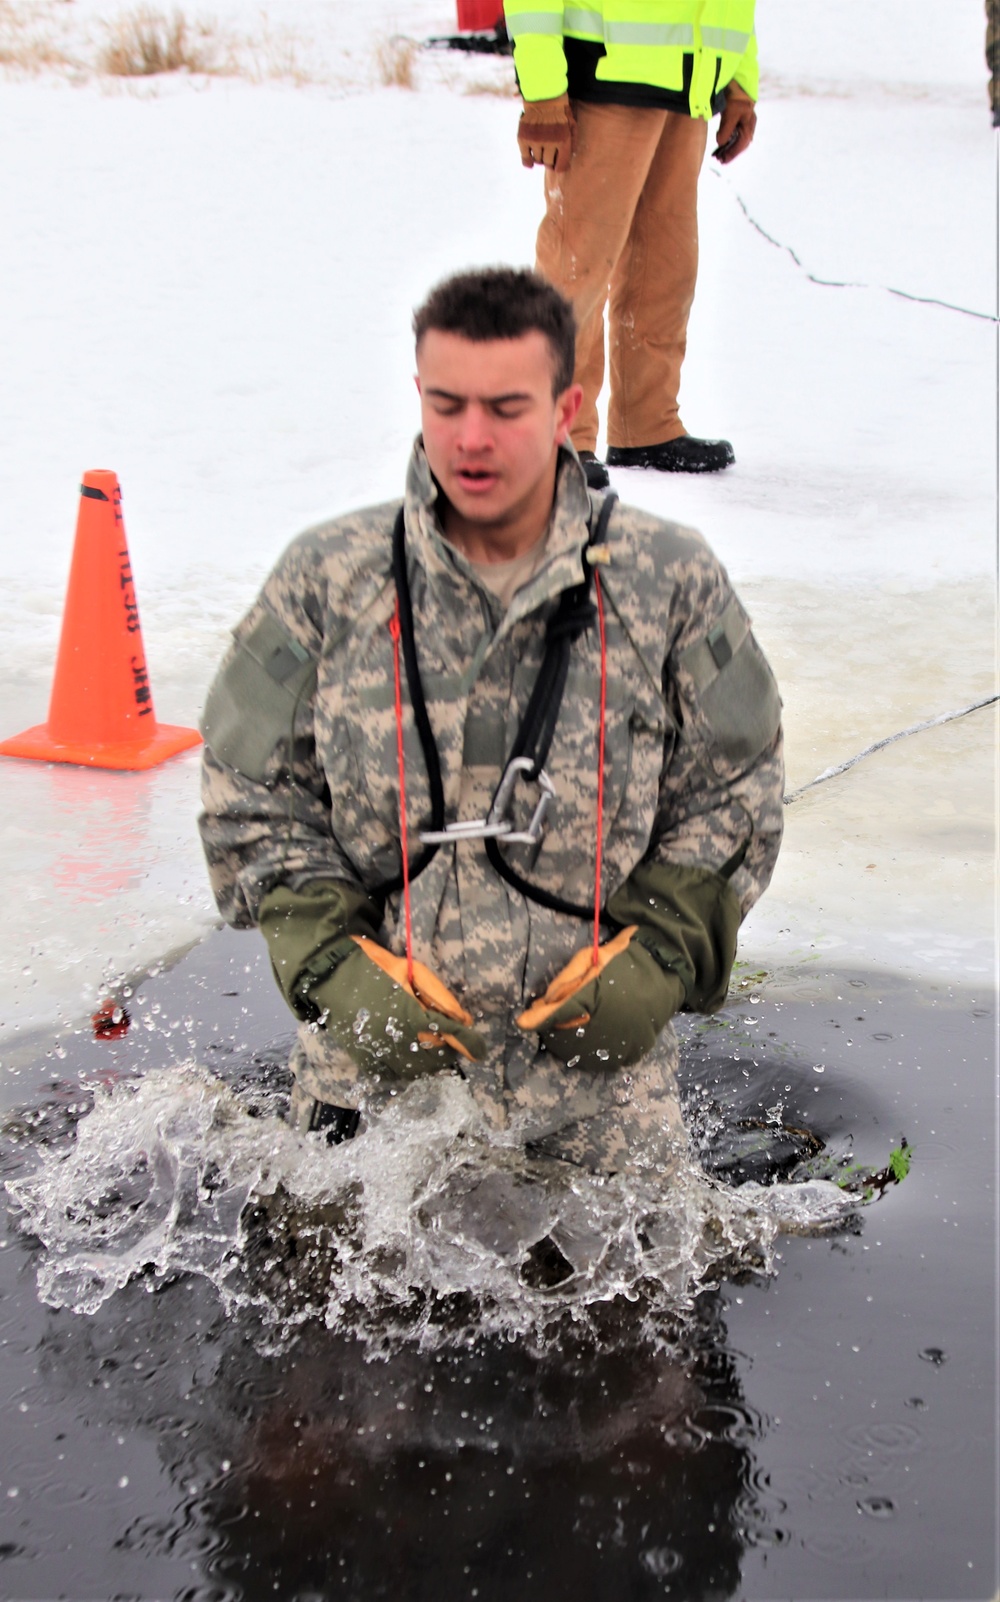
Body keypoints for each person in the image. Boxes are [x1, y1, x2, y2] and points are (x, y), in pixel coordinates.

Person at [198, 267, 783, 1178]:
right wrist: (331, 970)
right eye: (447, 404)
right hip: (372, 1091)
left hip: (600, 1097)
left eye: (507, 407)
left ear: (565, 409)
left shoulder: (666, 579)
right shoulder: (328, 577)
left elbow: (736, 788)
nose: (471, 439)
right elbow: (250, 798)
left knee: (635, 1310)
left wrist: (663, 954)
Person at [503, 0, 758, 488]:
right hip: (602, 78)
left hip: (692, 85)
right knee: (576, 265)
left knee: (667, 265)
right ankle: (557, 434)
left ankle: (646, 425)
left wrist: (740, 78)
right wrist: (541, 90)